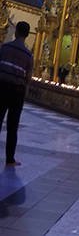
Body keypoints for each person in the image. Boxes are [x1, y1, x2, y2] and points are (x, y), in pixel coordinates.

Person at [0, 21, 34, 166]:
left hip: (1, 88)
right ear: (27, 35)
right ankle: (10, 159)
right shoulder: (28, 54)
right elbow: (28, 77)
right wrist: (24, 92)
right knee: (13, 127)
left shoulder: (5, 47)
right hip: (17, 92)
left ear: (15, 32)